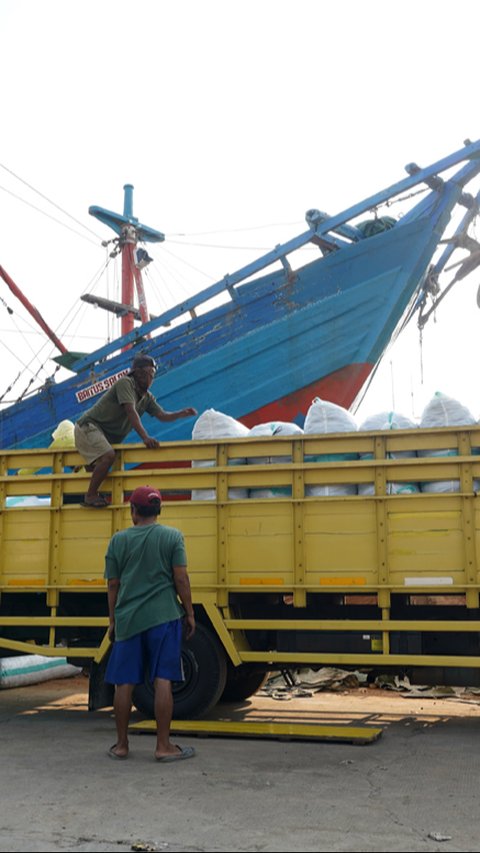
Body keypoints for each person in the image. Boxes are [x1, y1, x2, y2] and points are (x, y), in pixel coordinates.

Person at [104, 485, 196, 762]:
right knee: (163, 680)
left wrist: (112, 620)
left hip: (129, 619)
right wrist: (189, 612)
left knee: (124, 683)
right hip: (164, 617)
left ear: (133, 511)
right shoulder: (172, 537)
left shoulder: (118, 541)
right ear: (159, 511)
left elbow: (112, 584)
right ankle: (163, 747)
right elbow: (181, 578)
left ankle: (121, 745)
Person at [74, 353, 197, 507]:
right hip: (89, 426)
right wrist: (145, 437)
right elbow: (130, 411)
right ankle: (90, 495)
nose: (151, 379)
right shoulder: (125, 383)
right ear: (137, 373)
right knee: (108, 456)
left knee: (99, 467)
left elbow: (162, 415)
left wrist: (180, 414)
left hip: (103, 435)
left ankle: (91, 490)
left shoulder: (147, 397)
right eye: (148, 374)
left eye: (153, 375)